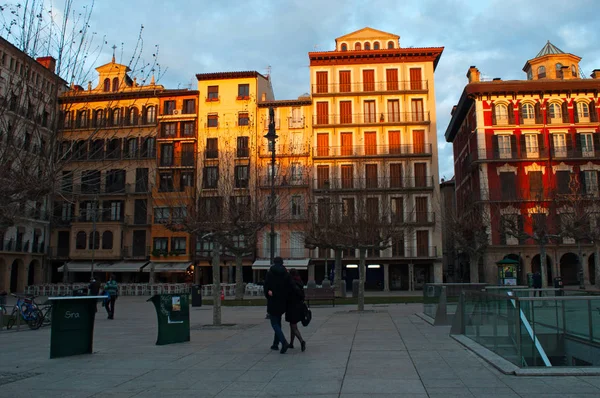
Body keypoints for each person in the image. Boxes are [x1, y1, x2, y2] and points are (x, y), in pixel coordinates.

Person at [264, 257, 292, 353]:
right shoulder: (286, 274)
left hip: (273, 300)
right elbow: (289, 287)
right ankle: (275, 344)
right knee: (278, 320)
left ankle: (283, 342)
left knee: (274, 323)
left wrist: (269, 293)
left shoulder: (269, 273)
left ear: (274, 262)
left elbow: (266, 286)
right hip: (282, 301)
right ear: (282, 263)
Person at [286, 269, 307, 352]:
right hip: (299, 306)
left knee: (293, 326)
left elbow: (288, 294)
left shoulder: (291, 283)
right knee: (293, 325)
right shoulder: (299, 282)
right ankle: (291, 343)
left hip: (292, 306)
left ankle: (302, 341)